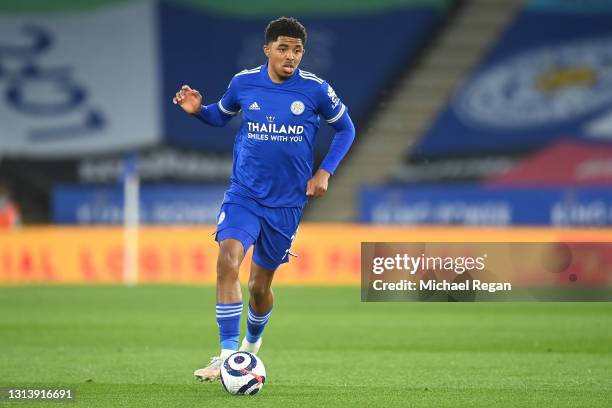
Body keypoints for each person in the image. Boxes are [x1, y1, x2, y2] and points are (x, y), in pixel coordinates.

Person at [173, 16, 355, 382]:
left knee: (260, 287)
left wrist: (324, 172)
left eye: (298, 50)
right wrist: (198, 112)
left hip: (287, 203)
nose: (291, 56)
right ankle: (227, 357)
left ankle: (250, 348)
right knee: (228, 258)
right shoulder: (243, 83)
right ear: (267, 49)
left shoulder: (316, 90)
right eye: (284, 48)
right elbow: (218, 116)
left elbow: (346, 128)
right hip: (244, 194)